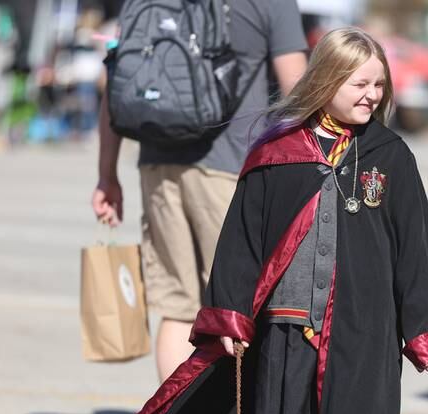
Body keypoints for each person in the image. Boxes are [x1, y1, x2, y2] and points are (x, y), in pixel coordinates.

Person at [82, 27, 428, 414]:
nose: (372, 95)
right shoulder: (275, 154)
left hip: (361, 335)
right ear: (327, 81)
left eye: (379, 85)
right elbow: (241, 242)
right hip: (285, 335)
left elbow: (416, 247)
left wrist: (425, 332)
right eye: (359, 85)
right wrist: (229, 315)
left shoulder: (391, 157)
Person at [91, 0, 308, 382]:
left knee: (177, 309)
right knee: (239, 307)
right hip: (232, 170)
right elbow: (298, 93)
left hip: (158, 164)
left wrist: (107, 174)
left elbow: (118, 79)